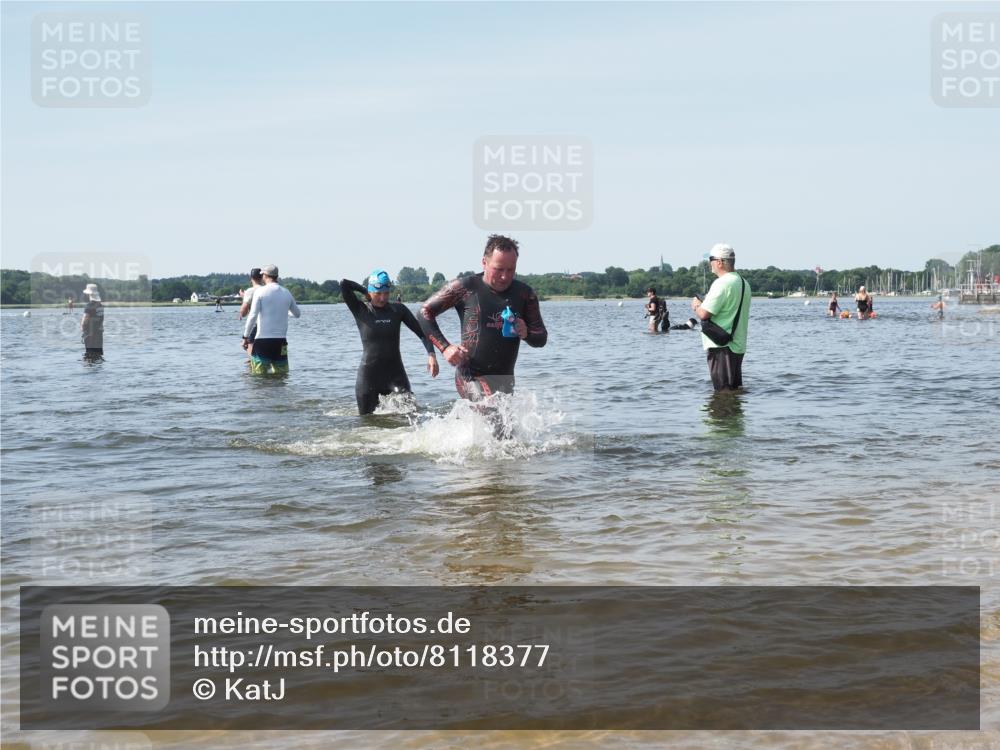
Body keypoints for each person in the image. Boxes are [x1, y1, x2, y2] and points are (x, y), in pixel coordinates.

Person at [420, 234, 547, 401]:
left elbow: (541, 338)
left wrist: (527, 333)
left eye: (511, 270)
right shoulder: (465, 288)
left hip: (505, 379)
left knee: (503, 418)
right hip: (470, 375)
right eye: (499, 269)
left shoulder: (524, 294)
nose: (505, 276)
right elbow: (424, 313)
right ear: (484, 263)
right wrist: (445, 348)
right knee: (489, 408)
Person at [341, 270, 439, 415]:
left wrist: (431, 354)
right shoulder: (360, 309)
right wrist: (365, 291)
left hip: (395, 375)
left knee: (410, 412)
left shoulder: (398, 310)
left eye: (386, 293)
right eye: (378, 293)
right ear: (370, 291)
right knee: (367, 422)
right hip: (369, 378)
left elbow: (422, 333)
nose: (382, 298)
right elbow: (344, 284)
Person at [691, 243, 751, 391]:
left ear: (719, 262)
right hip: (737, 345)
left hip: (722, 346)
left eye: (711, 259)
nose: (709, 264)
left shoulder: (722, 283)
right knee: (734, 391)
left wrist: (696, 305)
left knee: (723, 393)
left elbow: (704, 314)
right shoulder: (743, 283)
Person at [242, 264, 301, 375]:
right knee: (281, 376)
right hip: (280, 342)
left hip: (262, 342)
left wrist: (245, 337)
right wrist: (284, 311)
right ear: (276, 276)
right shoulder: (286, 292)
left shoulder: (260, 292)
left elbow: (253, 316)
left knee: (259, 377)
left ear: (265, 275)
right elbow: (297, 314)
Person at [239, 267, 265, 356]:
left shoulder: (250, 291)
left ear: (251, 278)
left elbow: (243, 312)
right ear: (262, 278)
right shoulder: (267, 290)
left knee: (251, 356)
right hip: (268, 326)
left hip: (255, 325)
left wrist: (244, 298)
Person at [81, 283, 104, 361]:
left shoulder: (89, 306)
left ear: (89, 294)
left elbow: (85, 320)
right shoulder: (100, 305)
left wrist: (83, 329)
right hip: (99, 333)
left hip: (90, 334)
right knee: (98, 357)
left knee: (89, 357)